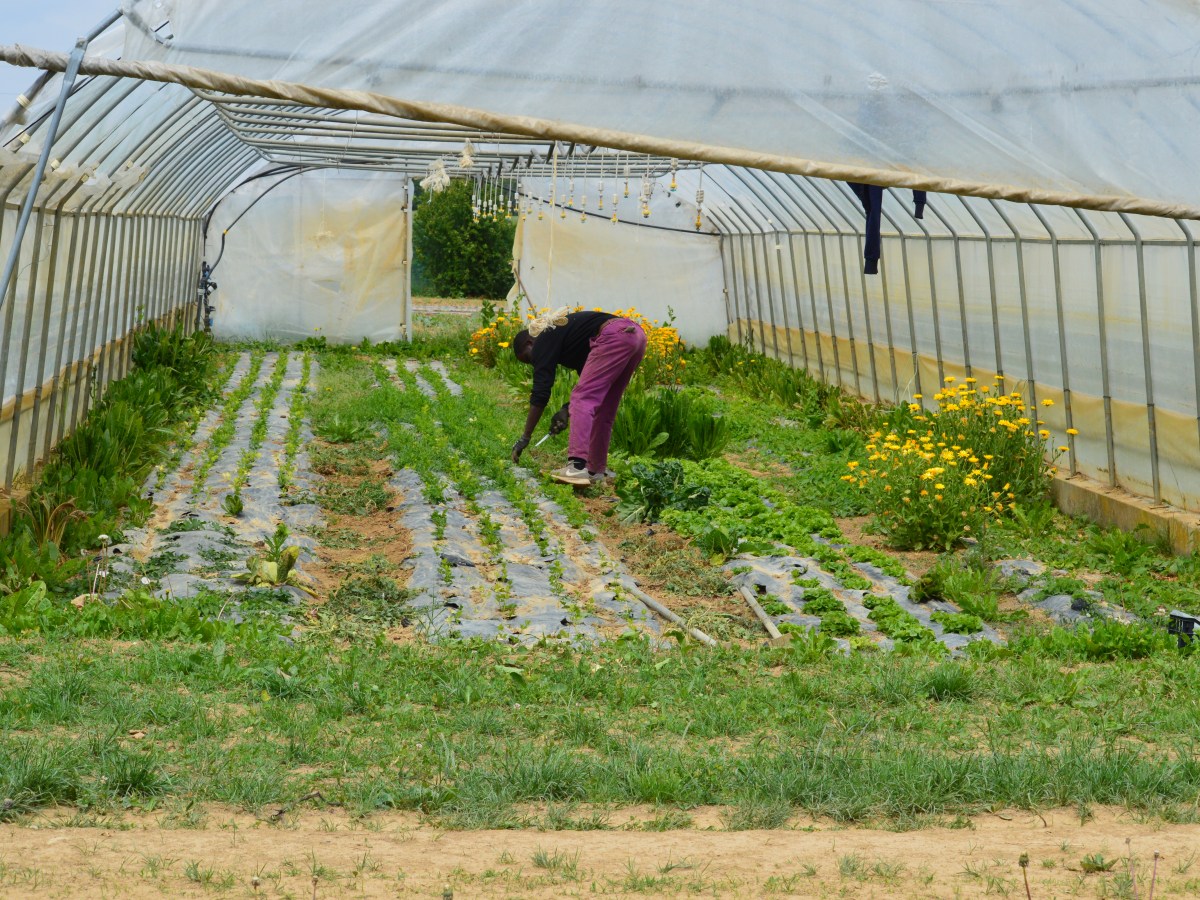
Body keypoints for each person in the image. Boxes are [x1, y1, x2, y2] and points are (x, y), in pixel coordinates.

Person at [510, 308, 647, 485]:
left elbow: (541, 392)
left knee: (582, 398)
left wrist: (525, 437)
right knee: (604, 406)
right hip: (635, 336)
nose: (534, 362)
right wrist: (566, 409)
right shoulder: (570, 341)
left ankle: (575, 468)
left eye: (529, 359)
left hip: (614, 335)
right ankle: (596, 470)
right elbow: (591, 387)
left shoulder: (544, 337)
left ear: (529, 343)